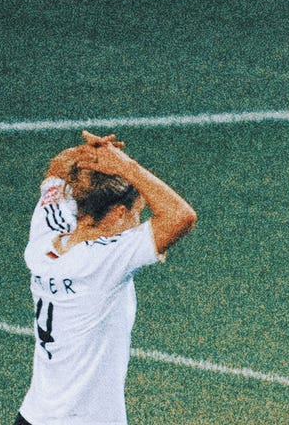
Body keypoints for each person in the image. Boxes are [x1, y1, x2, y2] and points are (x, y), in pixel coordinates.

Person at [15, 131, 197, 425]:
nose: (137, 224)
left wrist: (85, 153)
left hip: (34, 416)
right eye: (136, 214)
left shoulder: (45, 235)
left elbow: (57, 170)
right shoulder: (103, 261)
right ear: (116, 214)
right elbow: (181, 217)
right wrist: (124, 165)